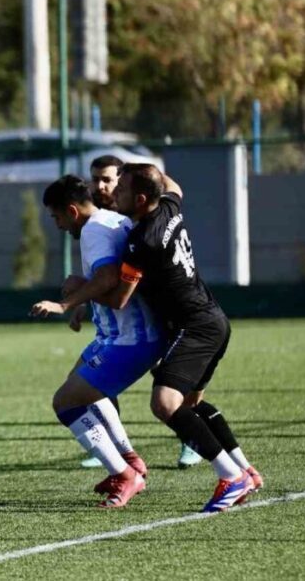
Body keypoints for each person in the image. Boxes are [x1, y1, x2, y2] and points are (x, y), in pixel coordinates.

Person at [104, 163, 262, 512]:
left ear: (141, 198)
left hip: (195, 327)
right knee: (190, 406)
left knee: (165, 403)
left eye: (122, 189)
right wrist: (144, 167)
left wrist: (78, 291)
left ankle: (230, 477)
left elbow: (119, 298)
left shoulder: (141, 241)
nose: (114, 193)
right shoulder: (169, 205)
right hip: (213, 319)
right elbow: (172, 185)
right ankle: (245, 471)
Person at [30, 175, 164, 508]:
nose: (57, 225)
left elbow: (107, 278)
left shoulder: (92, 230)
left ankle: (124, 474)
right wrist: (83, 299)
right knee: (80, 387)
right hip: (116, 335)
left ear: (72, 211)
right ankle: (129, 459)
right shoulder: (113, 219)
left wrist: (66, 303)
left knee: (66, 403)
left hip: (129, 339)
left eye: (56, 217)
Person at [77, 154, 203, 470]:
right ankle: (111, 447)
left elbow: (113, 283)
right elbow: (103, 272)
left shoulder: (142, 221)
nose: (102, 186)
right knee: (95, 375)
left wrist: (71, 297)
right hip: (126, 320)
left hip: (167, 312)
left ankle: (193, 440)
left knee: (176, 384)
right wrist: (83, 302)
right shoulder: (103, 221)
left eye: (109, 179)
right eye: (96, 180)